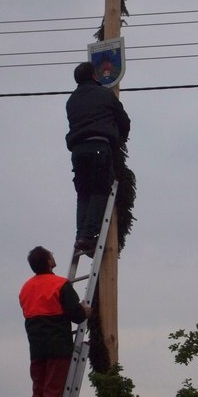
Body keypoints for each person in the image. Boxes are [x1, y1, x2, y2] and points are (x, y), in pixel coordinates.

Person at [19, 246, 92, 397]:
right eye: (51, 254)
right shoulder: (60, 285)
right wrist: (85, 312)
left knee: (38, 393)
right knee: (52, 392)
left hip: (36, 348)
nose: (54, 256)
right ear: (48, 261)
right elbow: (75, 314)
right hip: (58, 346)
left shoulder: (26, 288)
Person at [66, 62, 131, 255]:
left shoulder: (71, 100)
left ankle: (81, 237)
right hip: (98, 147)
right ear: (95, 76)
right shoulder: (104, 95)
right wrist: (120, 138)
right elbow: (124, 121)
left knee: (84, 193)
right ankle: (87, 237)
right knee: (99, 191)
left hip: (77, 151)